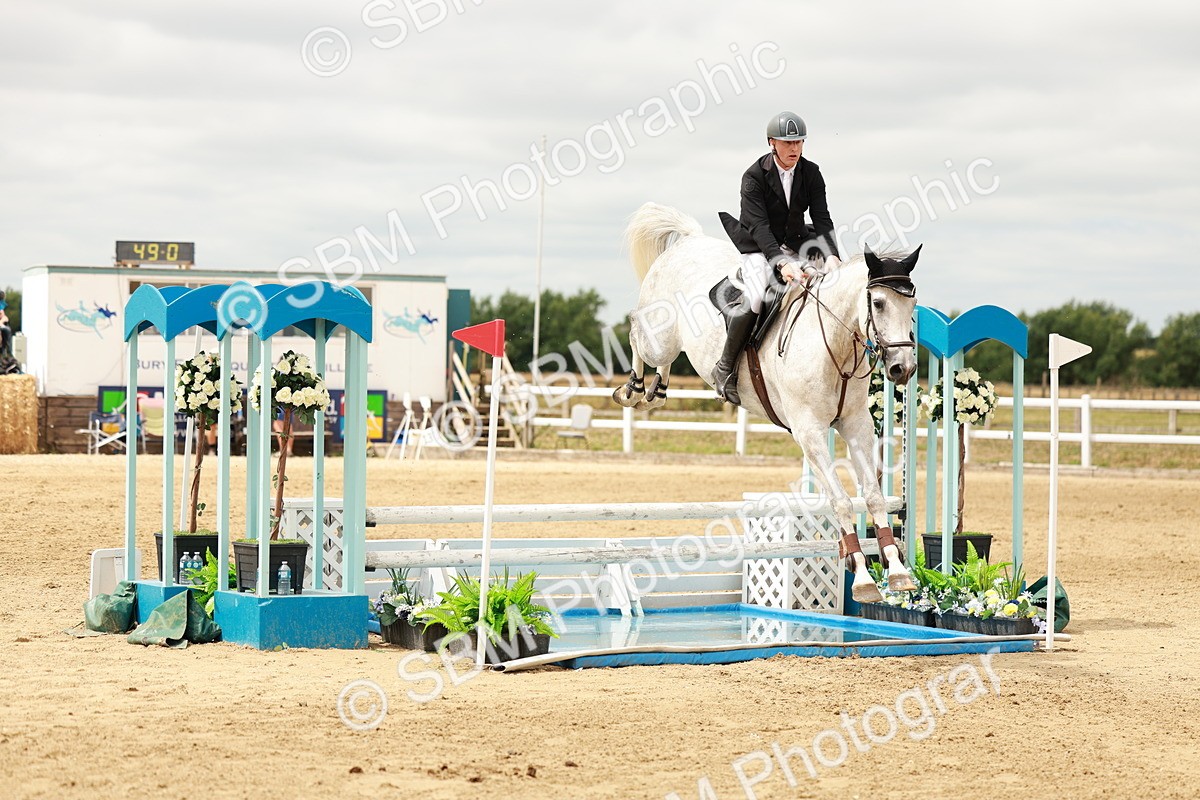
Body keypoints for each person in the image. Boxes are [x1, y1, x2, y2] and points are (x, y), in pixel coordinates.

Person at [714, 111, 841, 405]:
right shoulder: (754, 177)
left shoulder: (811, 173)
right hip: (758, 246)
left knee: (830, 280)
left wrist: (832, 255)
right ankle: (725, 367)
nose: (794, 148)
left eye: (798, 142)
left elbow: (822, 217)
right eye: (787, 143)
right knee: (758, 294)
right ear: (772, 142)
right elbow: (759, 228)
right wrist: (782, 263)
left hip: (796, 241)